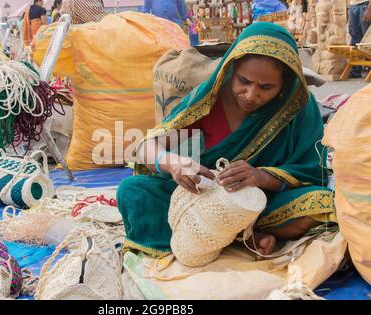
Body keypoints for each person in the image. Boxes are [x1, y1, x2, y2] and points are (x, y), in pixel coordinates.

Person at [117, 22, 336, 260]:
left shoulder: (299, 107)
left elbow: (313, 171)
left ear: (284, 84)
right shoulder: (208, 99)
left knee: (321, 203)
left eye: (266, 87)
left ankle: (237, 233)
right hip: (201, 199)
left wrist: (260, 176)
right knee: (133, 191)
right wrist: (173, 163)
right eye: (244, 81)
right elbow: (148, 146)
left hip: (259, 203)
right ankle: (242, 237)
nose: (251, 95)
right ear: (231, 68)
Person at [349, 0, 371, 78]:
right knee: (355, 38)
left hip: (365, 4)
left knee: (367, 40)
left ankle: (369, 70)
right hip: (353, 5)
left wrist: (369, 9)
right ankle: (355, 71)